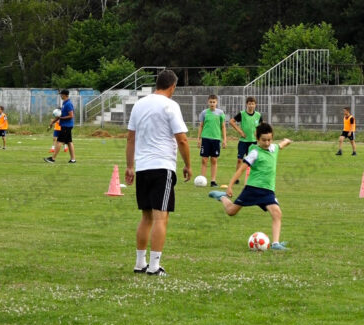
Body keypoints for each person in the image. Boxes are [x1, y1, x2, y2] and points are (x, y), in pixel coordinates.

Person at [125, 70, 192, 276]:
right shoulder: (170, 105)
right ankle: (154, 267)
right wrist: (188, 165)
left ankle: (139, 263)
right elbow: (181, 139)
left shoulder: (139, 104)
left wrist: (129, 166)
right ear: (172, 86)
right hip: (162, 167)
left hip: (143, 167)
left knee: (146, 217)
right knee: (161, 218)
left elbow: (130, 138)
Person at [208, 123, 292, 250]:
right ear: (257, 139)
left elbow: (280, 145)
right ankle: (222, 197)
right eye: (263, 140)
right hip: (252, 189)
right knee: (231, 212)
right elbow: (241, 170)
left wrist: (286, 141)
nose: (267, 142)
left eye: (269, 139)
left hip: (268, 191)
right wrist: (229, 186)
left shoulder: (273, 148)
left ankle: (275, 244)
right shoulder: (254, 153)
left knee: (277, 213)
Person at [229, 96, 262, 184]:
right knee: (240, 159)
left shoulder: (258, 115)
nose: (251, 106)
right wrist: (240, 131)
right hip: (243, 141)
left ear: (255, 105)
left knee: (252, 161)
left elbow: (261, 126)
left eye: (253, 104)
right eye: (249, 104)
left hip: (253, 142)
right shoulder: (242, 114)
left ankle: (251, 179)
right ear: (246, 104)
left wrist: (258, 134)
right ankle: (236, 178)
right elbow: (231, 121)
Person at [197, 95, 227, 187]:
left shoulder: (220, 113)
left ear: (216, 102)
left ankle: (213, 181)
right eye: (210, 102)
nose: (212, 104)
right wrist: (199, 138)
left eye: (214, 102)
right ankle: (202, 180)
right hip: (205, 138)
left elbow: (223, 126)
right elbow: (201, 126)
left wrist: (224, 139)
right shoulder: (204, 113)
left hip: (216, 139)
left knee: (214, 160)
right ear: (208, 102)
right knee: (204, 159)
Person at [44, 89, 76, 163]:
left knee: (59, 142)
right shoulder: (64, 103)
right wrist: (53, 122)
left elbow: (71, 115)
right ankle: (73, 159)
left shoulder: (68, 104)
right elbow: (60, 115)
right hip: (66, 125)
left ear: (65, 95)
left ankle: (53, 159)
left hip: (66, 126)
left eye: (61, 94)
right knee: (69, 142)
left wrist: (61, 118)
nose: (60, 95)